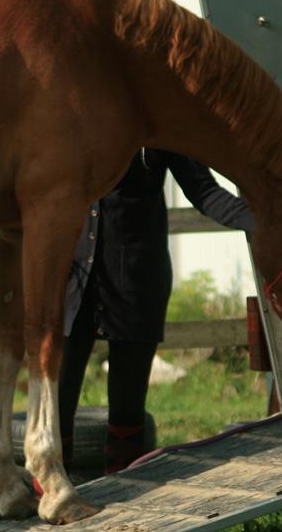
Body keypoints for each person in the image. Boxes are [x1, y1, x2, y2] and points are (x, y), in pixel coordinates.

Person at [59, 149, 254, 474]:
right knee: (56, 398)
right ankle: (49, 491)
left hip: (135, 278)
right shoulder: (74, 116)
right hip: (71, 278)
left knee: (127, 403)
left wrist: (262, 221)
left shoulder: (158, 124)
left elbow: (204, 190)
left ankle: (123, 487)